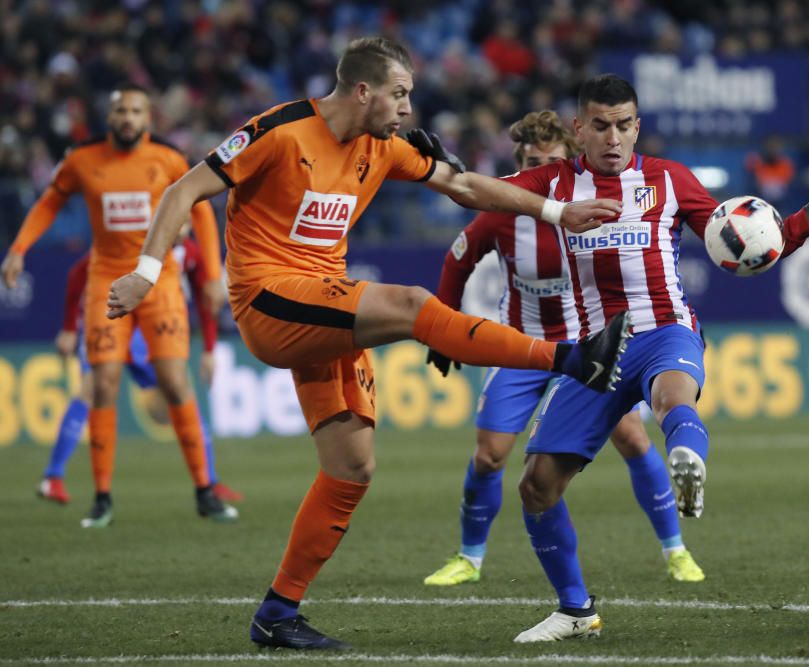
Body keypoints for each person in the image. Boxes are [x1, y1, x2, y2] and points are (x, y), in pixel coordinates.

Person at [103, 37, 631, 651]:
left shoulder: (383, 146)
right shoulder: (278, 131)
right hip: (269, 300)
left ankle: (278, 614)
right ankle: (570, 357)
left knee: (352, 467)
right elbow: (181, 191)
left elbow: (465, 188)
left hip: (323, 308)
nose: (409, 108)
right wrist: (145, 271)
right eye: (400, 94)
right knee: (409, 304)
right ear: (363, 91)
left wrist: (554, 211)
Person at [455, 74, 809, 642]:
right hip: (595, 353)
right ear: (579, 129)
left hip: (664, 328)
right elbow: (478, 192)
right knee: (537, 485)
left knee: (673, 395)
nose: (613, 137)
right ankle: (576, 612)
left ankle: (687, 462)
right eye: (600, 125)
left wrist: (797, 227)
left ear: (637, 126)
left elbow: (732, 247)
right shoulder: (549, 182)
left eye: (624, 125)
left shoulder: (669, 180)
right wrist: (434, 170)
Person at [422, 110, 703, 588]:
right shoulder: (501, 217)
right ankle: (469, 558)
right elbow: (456, 262)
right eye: (532, 161)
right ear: (520, 166)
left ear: (566, 161)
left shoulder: (597, 208)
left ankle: (676, 550)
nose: (539, 169)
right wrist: (443, 327)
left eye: (549, 160)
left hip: (583, 347)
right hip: (520, 347)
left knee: (634, 439)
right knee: (489, 456)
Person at [0, 84, 237, 527]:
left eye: (135, 111)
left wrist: (210, 276)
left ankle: (205, 489)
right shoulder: (82, 161)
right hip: (107, 280)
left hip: (159, 281)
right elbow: (50, 201)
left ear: (148, 118)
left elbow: (202, 211)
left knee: (173, 382)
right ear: (109, 118)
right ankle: (103, 497)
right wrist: (18, 248)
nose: (128, 118)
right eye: (121, 111)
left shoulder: (167, 160)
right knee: (103, 383)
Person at [37, 245, 242, 506]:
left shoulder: (191, 253)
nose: (183, 225)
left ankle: (209, 481)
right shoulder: (138, 240)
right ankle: (53, 477)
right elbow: (79, 273)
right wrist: (68, 327)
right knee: (91, 389)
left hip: (150, 331)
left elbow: (206, 298)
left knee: (180, 390)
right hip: (111, 321)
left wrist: (209, 349)